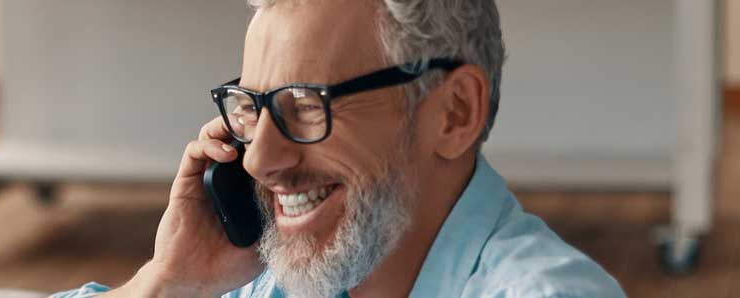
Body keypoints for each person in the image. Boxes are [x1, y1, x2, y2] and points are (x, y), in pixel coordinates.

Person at [53, 0, 625, 297]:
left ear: (454, 113)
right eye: (253, 107)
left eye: (305, 104)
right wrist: (166, 283)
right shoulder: (265, 275)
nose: (257, 159)